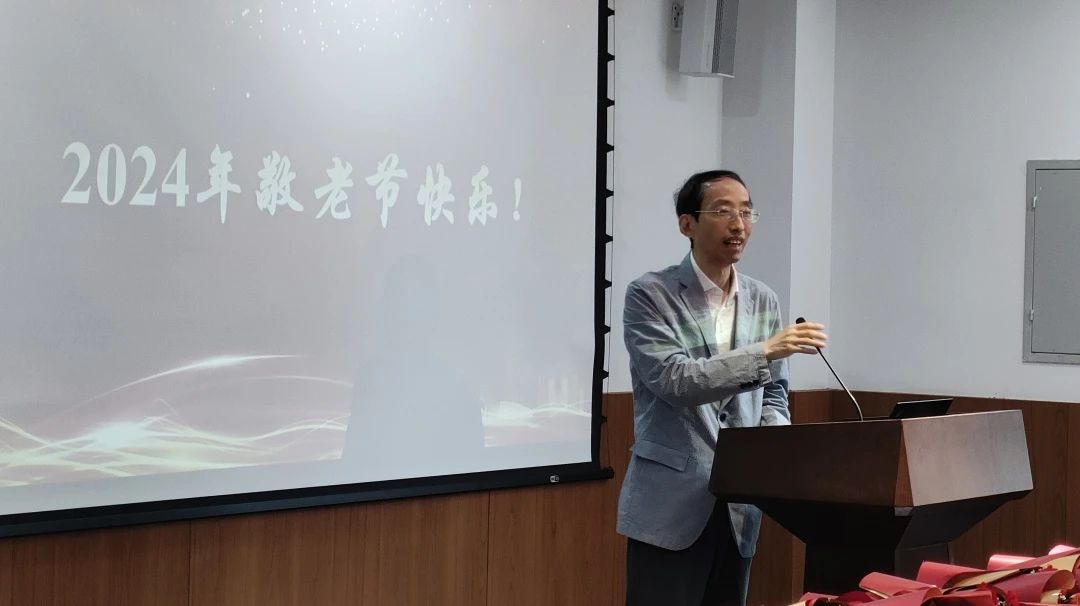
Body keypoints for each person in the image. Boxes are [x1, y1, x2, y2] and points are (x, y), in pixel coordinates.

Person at [617, 170, 828, 606]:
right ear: (687, 224)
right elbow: (674, 380)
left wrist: (771, 446)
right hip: (670, 503)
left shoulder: (763, 298)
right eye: (723, 211)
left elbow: (774, 391)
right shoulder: (650, 295)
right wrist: (764, 351)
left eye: (747, 212)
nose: (739, 224)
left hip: (740, 507)